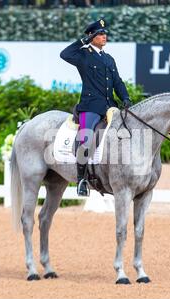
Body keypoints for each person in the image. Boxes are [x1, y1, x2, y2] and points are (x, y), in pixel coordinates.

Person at [60, 18, 131, 196]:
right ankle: (81, 179)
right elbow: (64, 54)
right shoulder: (83, 55)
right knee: (86, 139)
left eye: (104, 33)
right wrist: (82, 42)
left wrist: (126, 98)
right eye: (100, 34)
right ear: (91, 36)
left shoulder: (108, 59)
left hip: (109, 107)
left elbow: (117, 82)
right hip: (90, 106)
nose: (104, 36)